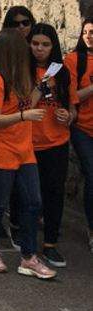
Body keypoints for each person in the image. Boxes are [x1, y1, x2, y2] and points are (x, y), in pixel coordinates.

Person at [0, 29, 54, 279]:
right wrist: (23, 116)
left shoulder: (22, 75)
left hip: (23, 149)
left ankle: (28, 257)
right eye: (24, 48)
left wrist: (42, 88)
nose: (30, 51)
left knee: (33, 202)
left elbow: (26, 103)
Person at [25, 23, 72, 268]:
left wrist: (68, 115)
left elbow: (71, 105)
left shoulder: (62, 72)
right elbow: (23, 106)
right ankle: (29, 245)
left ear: (53, 47)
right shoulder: (22, 69)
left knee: (54, 194)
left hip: (57, 142)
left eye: (45, 45)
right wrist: (41, 86)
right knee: (32, 197)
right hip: (29, 142)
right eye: (35, 44)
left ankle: (51, 244)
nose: (39, 49)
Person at [65, 16, 93, 253]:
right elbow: (72, 96)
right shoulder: (75, 60)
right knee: (92, 175)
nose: (89, 36)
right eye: (85, 32)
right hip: (83, 128)